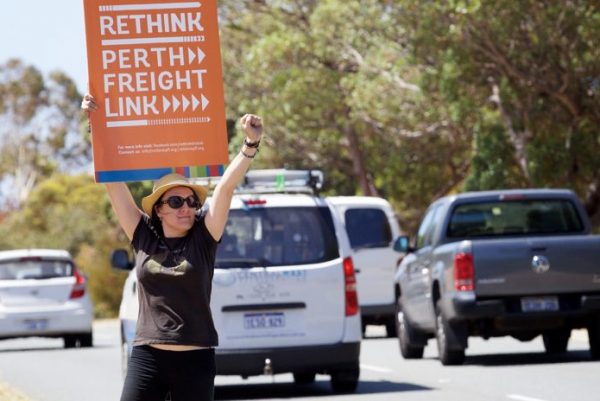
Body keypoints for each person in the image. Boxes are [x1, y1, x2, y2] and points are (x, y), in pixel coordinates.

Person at [81, 94, 263, 401]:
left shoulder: (205, 237)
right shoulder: (143, 235)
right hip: (148, 358)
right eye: (176, 202)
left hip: (195, 361)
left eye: (191, 201)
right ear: (159, 210)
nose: (186, 208)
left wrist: (250, 145)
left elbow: (226, 188)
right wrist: (94, 126)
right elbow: (113, 184)